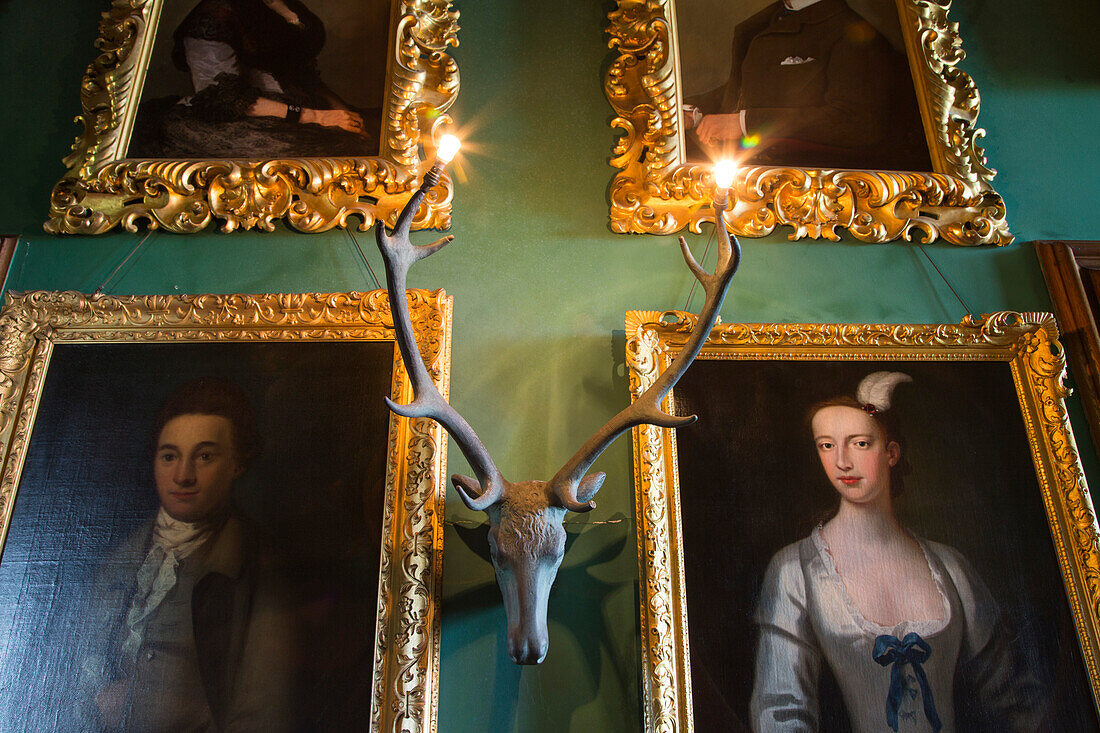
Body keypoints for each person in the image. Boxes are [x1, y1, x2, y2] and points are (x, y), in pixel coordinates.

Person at [750, 372, 1042, 732]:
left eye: (859, 443)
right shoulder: (795, 570)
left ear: (891, 452)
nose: (842, 461)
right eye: (826, 445)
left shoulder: (952, 569)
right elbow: (780, 710)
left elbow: (1017, 701)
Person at [75, 377, 290, 732]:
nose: (183, 475)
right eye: (170, 456)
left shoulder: (260, 569)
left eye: (204, 456)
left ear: (237, 464)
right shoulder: (119, 559)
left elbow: (261, 712)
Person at [683, 0, 930, 170]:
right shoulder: (762, 23)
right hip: (739, 168)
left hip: (802, 178)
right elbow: (747, 88)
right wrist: (690, 111)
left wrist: (743, 124)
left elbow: (855, 121)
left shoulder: (853, 34)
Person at [129, 0, 377, 159]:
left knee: (367, 136)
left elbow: (304, 76)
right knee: (303, 150)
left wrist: (342, 112)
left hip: (299, 105)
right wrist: (319, 117)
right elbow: (224, 99)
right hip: (235, 116)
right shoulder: (210, 19)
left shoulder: (282, 8)